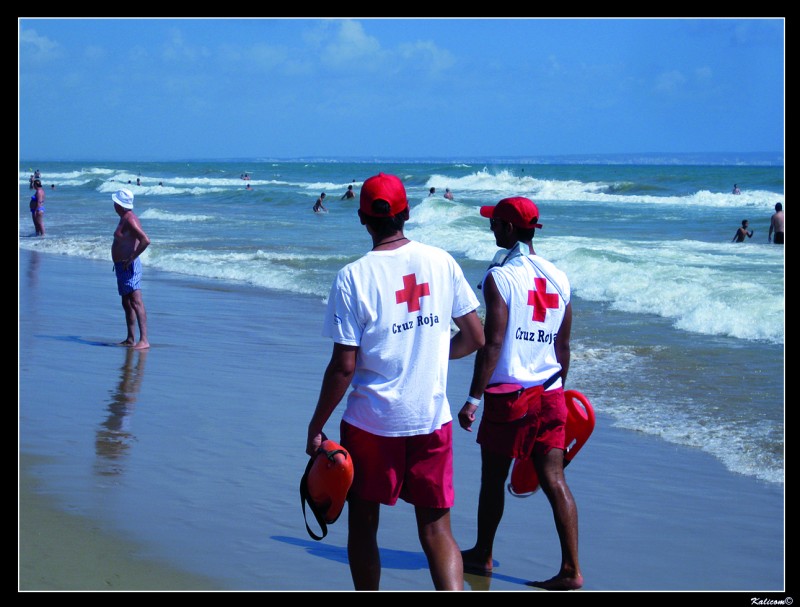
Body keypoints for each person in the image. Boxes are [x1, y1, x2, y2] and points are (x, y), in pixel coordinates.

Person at [305, 172, 485, 591]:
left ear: (362, 219)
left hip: (372, 424)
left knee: (364, 527)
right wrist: (436, 353)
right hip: (431, 419)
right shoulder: (442, 261)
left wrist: (315, 427)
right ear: (407, 213)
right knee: (437, 532)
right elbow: (475, 336)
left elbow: (343, 367)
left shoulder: (353, 277)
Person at [457, 196, 583, 590]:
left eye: (496, 222)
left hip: (510, 397)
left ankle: (482, 554)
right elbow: (563, 348)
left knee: (493, 478)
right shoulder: (559, 278)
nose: (492, 227)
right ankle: (571, 570)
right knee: (554, 479)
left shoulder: (501, 277)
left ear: (510, 229)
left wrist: (473, 398)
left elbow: (493, 343)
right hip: (550, 392)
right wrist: (558, 389)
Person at [111, 188, 150, 350]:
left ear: (120, 204)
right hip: (122, 266)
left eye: (115, 202)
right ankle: (130, 338)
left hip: (129, 266)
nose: (113, 205)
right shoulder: (124, 218)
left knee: (136, 301)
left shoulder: (130, 219)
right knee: (126, 302)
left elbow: (145, 240)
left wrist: (132, 258)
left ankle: (144, 340)